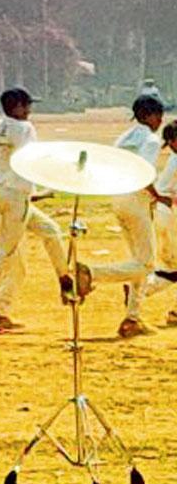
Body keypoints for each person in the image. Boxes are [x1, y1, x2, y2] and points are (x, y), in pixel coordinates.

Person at [0, 87, 74, 330]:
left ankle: (63, 279)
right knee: (5, 253)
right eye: (27, 106)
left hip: (3, 194)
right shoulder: (25, 129)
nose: (30, 111)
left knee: (50, 230)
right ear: (17, 107)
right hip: (17, 196)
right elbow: (30, 159)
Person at [84, 96, 168, 338]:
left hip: (118, 198)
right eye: (158, 115)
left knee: (137, 261)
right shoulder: (151, 140)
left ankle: (133, 318)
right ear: (148, 115)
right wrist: (157, 196)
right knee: (146, 264)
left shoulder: (123, 137)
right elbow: (143, 173)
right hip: (136, 200)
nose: (160, 121)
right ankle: (92, 273)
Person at [142, 120, 177, 326]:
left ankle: (142, 288)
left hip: (166, 214)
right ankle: (141, 289)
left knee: (173, 269)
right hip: (171, 215)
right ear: (172, 141)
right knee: (173, 269)